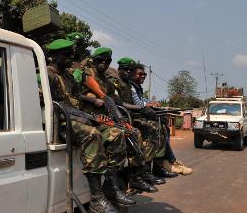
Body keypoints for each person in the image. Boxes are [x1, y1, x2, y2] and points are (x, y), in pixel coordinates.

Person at [44, 39, 135, 213]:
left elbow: (77, 96)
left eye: (72, 54)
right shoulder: (47, 74)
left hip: (76, 117)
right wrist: (83, 117)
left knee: (116, 133)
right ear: (53, 56)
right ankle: (96, 197)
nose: (71, 57)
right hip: (60, 122)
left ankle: (111, 185)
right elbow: (48, 104)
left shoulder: (68, 75)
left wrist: (93, 103)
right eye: (66, 54)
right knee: (92, 134)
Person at [78, 47, 157, 194]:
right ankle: (110, 185)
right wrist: (93, 99)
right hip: (89, 117)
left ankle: (136, 176)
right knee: (116, 134)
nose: (103, 63)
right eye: (100, 60)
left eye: (107, 61)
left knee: (133, 132)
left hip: (104, 118)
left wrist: (121, 119)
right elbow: (76, 96)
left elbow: (115, 101)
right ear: (93, 61)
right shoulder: (86, 75)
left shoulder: (106, 82)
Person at [130, 63, 192, 176]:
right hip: (134, 117)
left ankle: (165, 163)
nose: (143, 76)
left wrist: (152, 104)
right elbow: (138, 103)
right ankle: (166, 163)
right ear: (132, 74)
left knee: (164, 127)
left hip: (141, 115)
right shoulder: (131, 87)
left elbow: (143, 100)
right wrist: (149, 104)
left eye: (144, 74)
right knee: (158, 130)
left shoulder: (137, 87)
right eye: (140, 74)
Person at [114, 57, 166, 187]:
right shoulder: (115, 82)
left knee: (157, 129)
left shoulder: (128, 84)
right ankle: (137, 175)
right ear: (119, 69)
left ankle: (146, 171)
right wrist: (143, 107)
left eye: (130, 70)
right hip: (122, 118)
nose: (127, 72)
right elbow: (119, 103)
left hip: (131, 116)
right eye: (125, 69)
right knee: (139, 134)